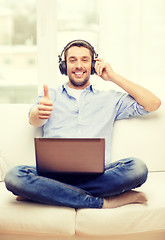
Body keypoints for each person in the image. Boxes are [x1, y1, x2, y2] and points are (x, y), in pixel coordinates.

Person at [4, 40, 161, 209]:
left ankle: (47, 194)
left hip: (98, 176)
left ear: (93, 65)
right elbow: (34, 118)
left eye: (85, 60)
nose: (79, 65)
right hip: (52, 176)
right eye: (72, 60)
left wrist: (113, 76)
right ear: (64, 65)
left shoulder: (110, 99)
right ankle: (102, 202)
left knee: (137, 168)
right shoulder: (51, 96)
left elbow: (153, 104)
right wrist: (38, 113)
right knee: (14, 176)